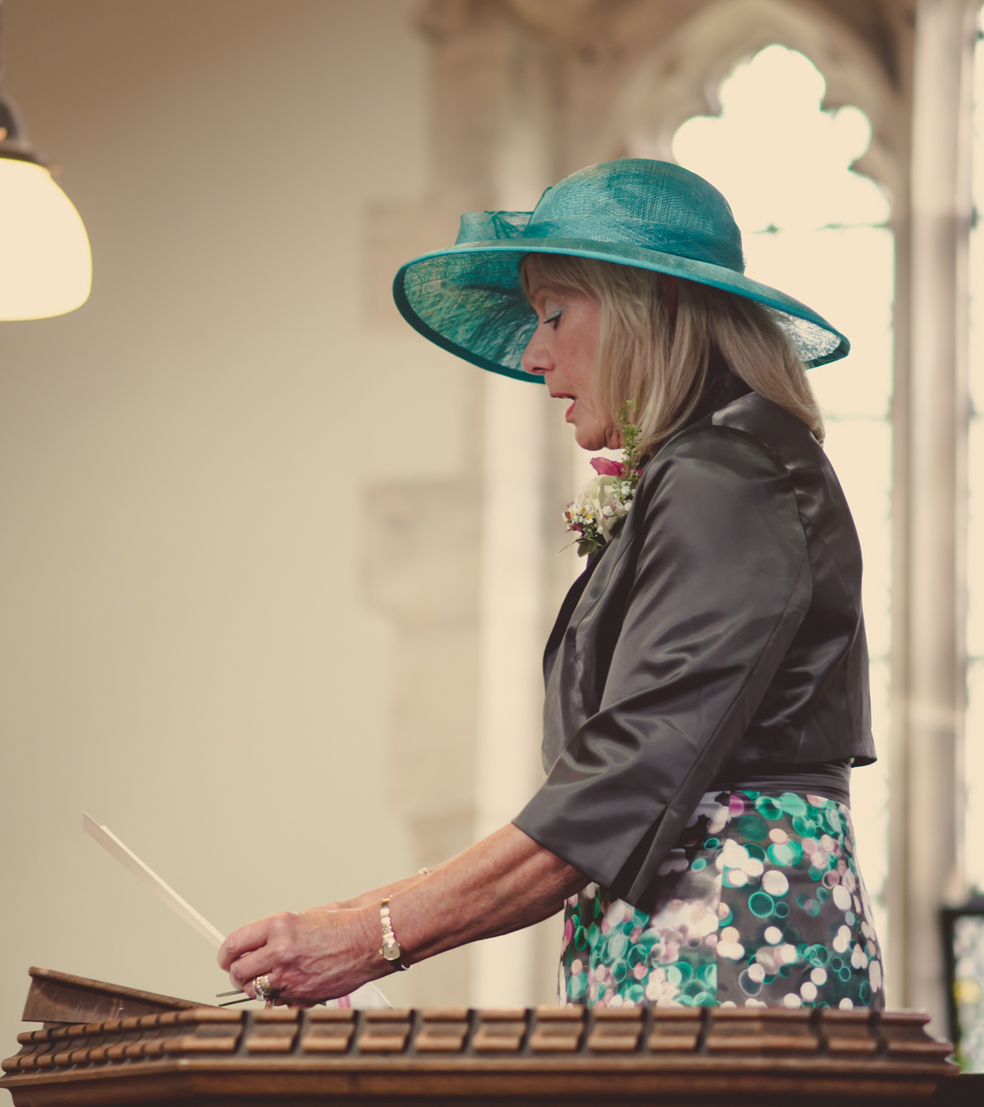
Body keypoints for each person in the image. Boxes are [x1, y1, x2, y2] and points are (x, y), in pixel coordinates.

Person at [219, 158, 882, 1022]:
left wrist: (372, 936)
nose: (535, 355)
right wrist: (346, 921)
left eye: (555, 314)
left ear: (660, 305)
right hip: (691, 936)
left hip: (731, 949)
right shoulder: (710, 466)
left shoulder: (729, 473)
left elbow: (623, 781)